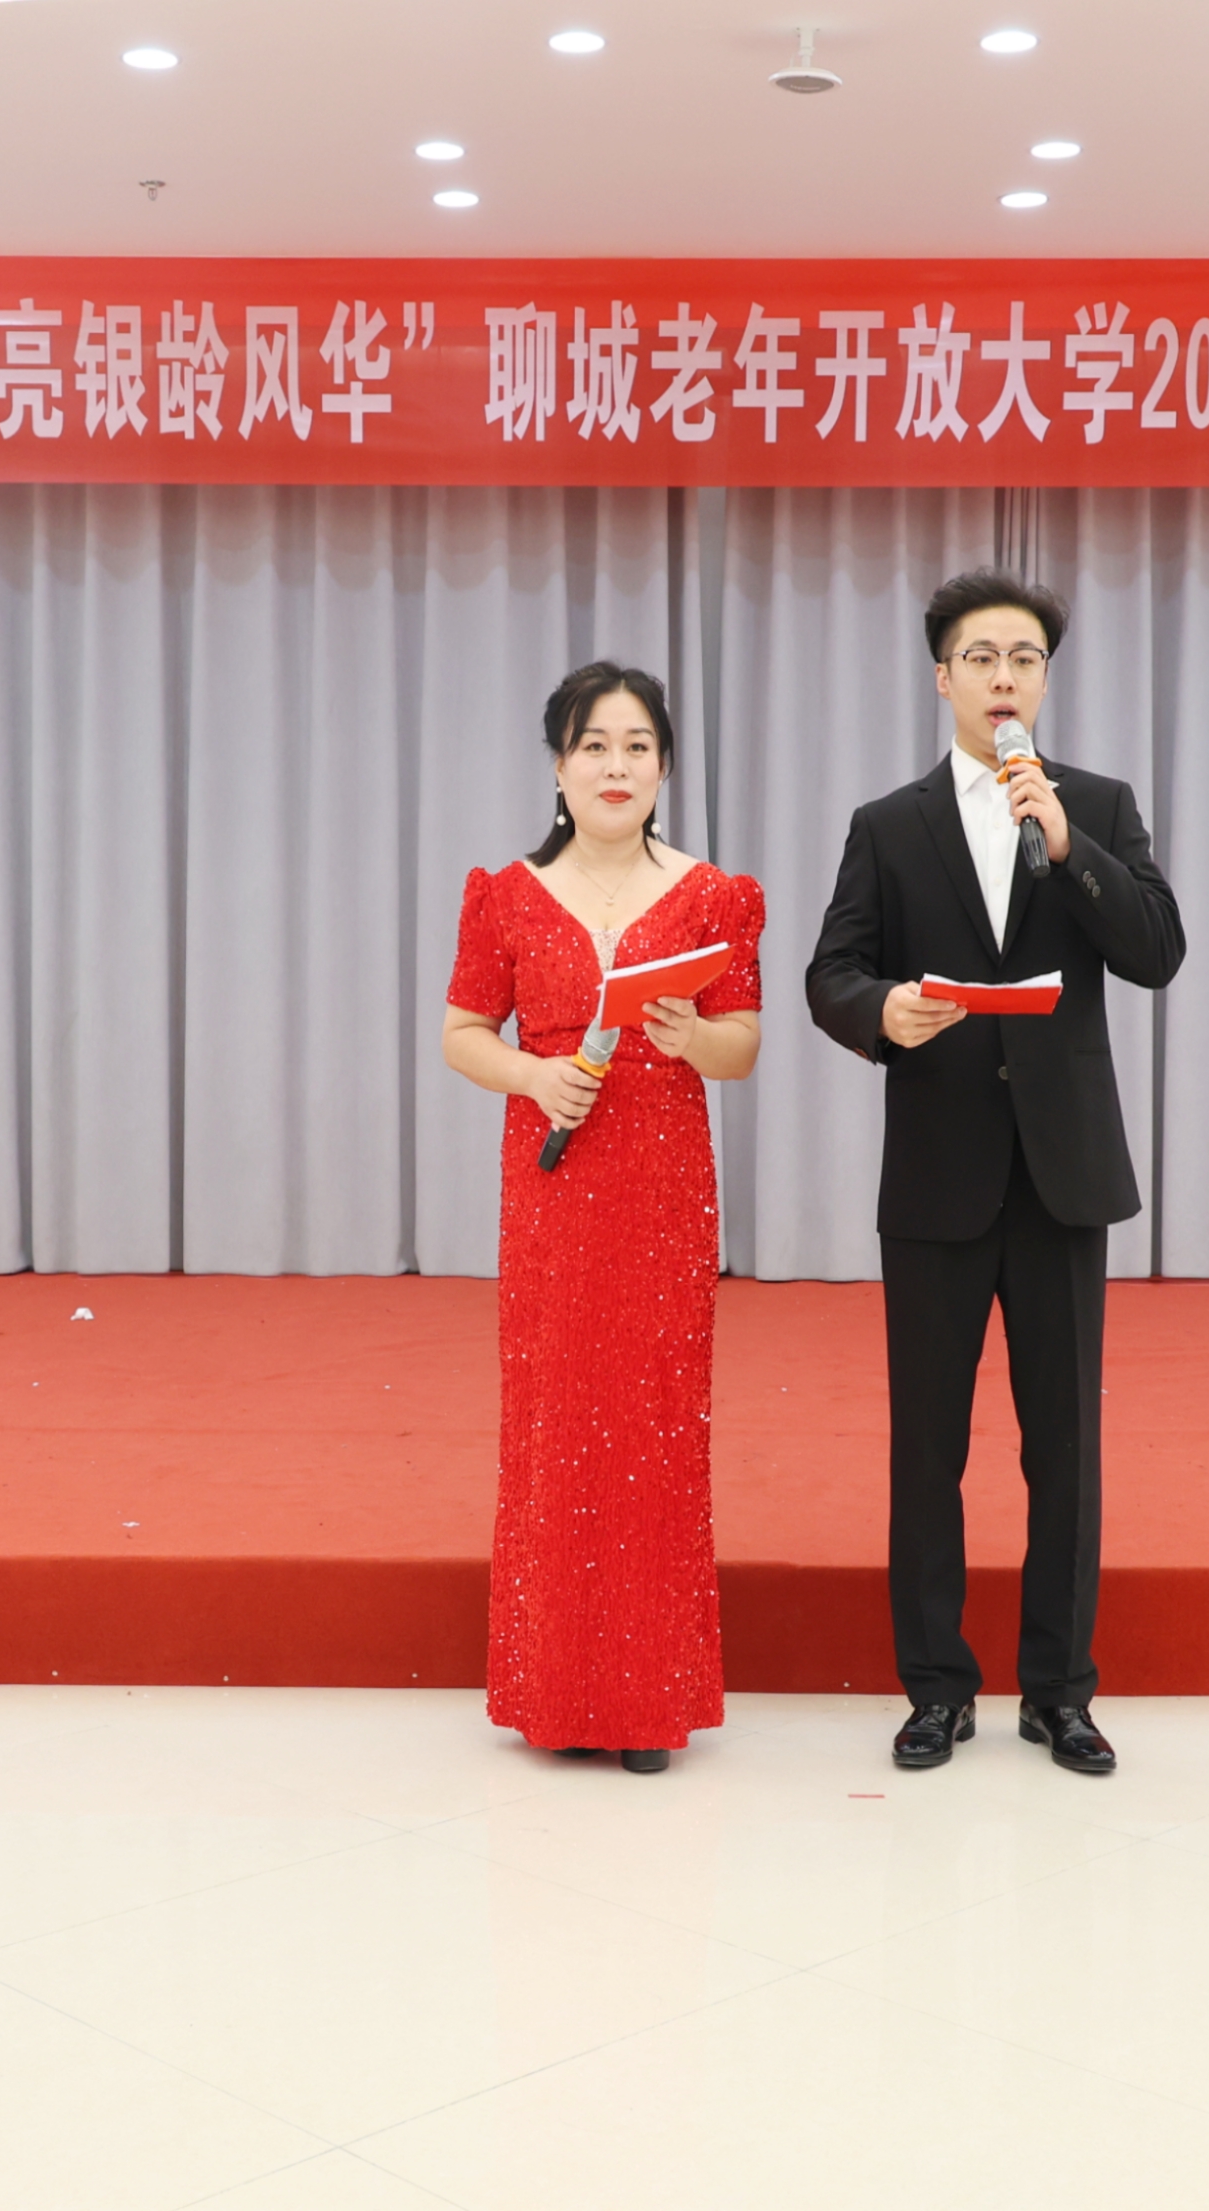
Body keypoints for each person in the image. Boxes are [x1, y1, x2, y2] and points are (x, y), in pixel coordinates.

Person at [806, 572, 1184, 1775]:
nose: (1004, 677)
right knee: (929, 1445)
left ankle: (1060, 1691)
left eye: (1025, 658)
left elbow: (1157, 950)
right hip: (938, 1174)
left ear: (1045, 680)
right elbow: (831, 972)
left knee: (1063, 1445)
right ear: (943, 678)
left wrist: (1070, 848)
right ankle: (936, 1688)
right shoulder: (889, 823)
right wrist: (883, 1011)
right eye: (981, 657)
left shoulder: (1097, 806)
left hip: (1063, 1174)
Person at [442, 663, 765, 1772]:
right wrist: (532, 1076)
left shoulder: (712, 895)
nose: (615, 766)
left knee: (653, 1425)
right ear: (559, 766)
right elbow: (461, 1034)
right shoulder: (509, 894)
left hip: (663, 1188)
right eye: (594, 746)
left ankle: (646, 1700)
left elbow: (742, 1047)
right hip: (554, 1186)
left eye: (637, 746)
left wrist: (690, 1037)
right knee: (558, 1423)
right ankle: (557, 1689)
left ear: (664, 766)